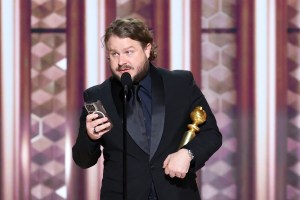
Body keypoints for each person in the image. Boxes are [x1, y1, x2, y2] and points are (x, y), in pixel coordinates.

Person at [72, 17, 222, 200]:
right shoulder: (97, 96)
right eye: (114, 54)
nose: (121, 62)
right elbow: (83, 160)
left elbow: (211, 134)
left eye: (129, 52)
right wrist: (90, 137)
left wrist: (187, 153)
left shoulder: (180, 84)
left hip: (176, 192)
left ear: (147, 49)